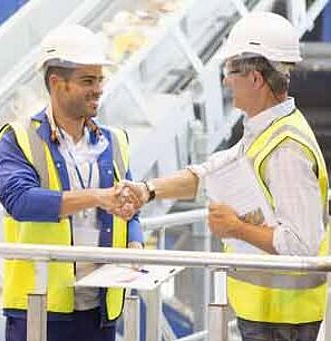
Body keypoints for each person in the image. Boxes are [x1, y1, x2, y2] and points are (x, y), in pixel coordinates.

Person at [120, 12, 329, 341]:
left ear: (256, 78)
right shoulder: (263, 131)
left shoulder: (286, 149)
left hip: (283, 319)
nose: (225, 80)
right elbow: (209, 174)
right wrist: (148, 190)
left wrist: (236, 229)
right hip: (265, 313)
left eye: (230, 71)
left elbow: (300, 246)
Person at [0, 24, 143, 341]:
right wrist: (97, 197)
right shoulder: (18, 139)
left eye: (100, 79)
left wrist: (135, 244)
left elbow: (130, 209)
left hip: (100, 307)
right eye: (87, 80)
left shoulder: (115, 142)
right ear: (56, 83)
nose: (99, 88)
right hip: (39, 306)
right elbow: (20, 201)